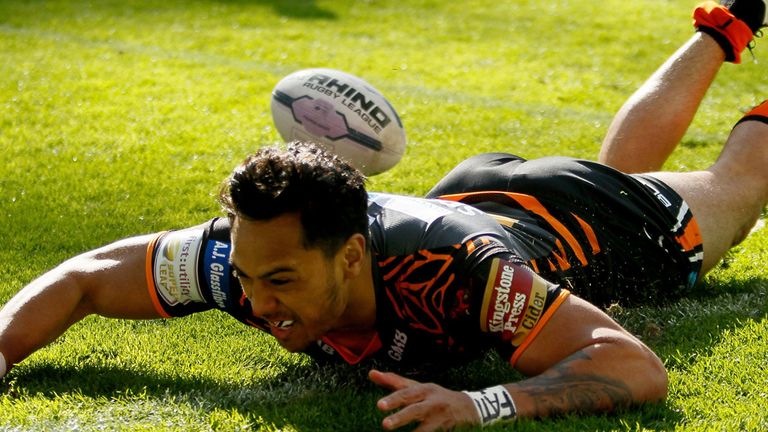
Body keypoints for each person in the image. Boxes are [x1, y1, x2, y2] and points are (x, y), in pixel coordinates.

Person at [1, 1, 766, 430]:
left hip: (594, 220)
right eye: (244, 277)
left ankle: (731, 25)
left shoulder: (459, 277)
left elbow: (635, 366)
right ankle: (729, 22)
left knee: (738, 184)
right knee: (624, 166)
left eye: (280, 281)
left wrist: (483, 403)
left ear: (352, 257)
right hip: (478, 191)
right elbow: (87, 276)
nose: (256, 302)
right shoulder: (252, 253)